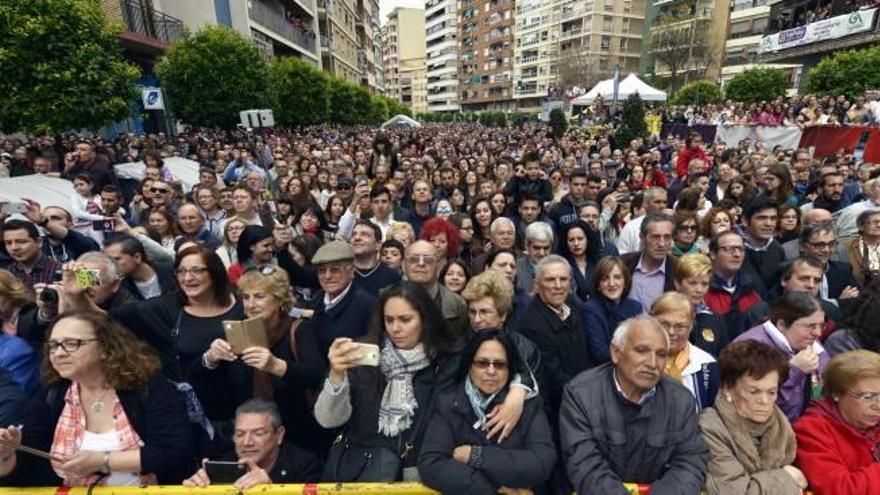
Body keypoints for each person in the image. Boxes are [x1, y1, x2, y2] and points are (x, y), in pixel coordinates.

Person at [0, 312, 193, 486]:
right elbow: (29, 471)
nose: (58, 353)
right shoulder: (52, 394)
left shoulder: (147, 388)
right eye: (53, 345)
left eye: (71, 343)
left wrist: (102, 461)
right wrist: (7, 454)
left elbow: (173, 451)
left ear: (105, 347)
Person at [314, 282, 459, 482]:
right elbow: (328, 420)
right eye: (389, 320)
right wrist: (336, 375)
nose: (395, 328)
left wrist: (518, 388)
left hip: (418, 473)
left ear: (425, 320)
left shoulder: (446, 363)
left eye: (405, 320)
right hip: (361, 471)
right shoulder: (364, 357)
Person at [559, 316, 709, 494]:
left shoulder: (681, 399)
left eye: (661, 354)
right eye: (641, 350)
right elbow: (585, 465)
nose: (652, 363)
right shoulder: (580, 395)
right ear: (616, 353)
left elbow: (690, 462)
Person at [194, 267, 327, 454]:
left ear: (280, 299)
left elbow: (318, 375)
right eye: (246, 297)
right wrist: (210, 359)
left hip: (297, 439)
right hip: (246, 439)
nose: (250, 304)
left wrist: (276, 366)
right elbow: (202, 381)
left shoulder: (299, 329)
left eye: (259, 296)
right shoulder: (236, 328)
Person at [418, 330, 556, 494]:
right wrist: (493, 490)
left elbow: (542, 463)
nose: (491, 371)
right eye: (482, 363)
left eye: (499, 364)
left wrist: (476, 456)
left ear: (510, 368)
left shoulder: (529, 405)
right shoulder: (449, 403)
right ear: (469, 365)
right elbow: (431, 464)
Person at [699, 340, 807, 495]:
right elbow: (734, 492)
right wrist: (785, 477)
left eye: (771, 392)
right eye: (753, 391)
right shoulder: (710, 427)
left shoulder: (781, 424)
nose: (764, 401)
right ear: (728, 389)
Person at [516, 255, 592, 426]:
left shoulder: (573, 308)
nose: (558, 286)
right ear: (537, 285)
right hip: (561, 411)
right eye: (550, 280)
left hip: (583, 396)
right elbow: (553, 378)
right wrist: (590, 392)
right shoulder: (530, 324)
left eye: (563, 279)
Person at [182, 399, 321, 490]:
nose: (247, 442)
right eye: (240, 434)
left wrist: (270, 490)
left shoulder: (305, 466)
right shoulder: (221, 465)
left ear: (279, 434)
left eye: (258, 433)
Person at [793, 350, 880, 495]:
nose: (877, 405)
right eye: (867, 396)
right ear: (837, 394)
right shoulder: (811, 431)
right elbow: (840, 490)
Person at [734, 292, 830, 422]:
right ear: (782, 325)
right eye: (810, 326)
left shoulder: (812, 344)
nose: (818, 333)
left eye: (821, 326)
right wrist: (794, 371)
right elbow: (758, 405)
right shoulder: (750, 348)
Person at [650, 292, 720, 410]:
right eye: (664, 324)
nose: (671, 332)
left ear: (691, 327)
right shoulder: (637, 361)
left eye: (680, 326)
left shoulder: (708, 364)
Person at [704, 231, 767, 340]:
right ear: (713, 254)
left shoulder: (750, 287)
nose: (737, 255)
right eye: (730, 249)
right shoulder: (702, 289)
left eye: (741, 249)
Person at [580, 256, 643, 364]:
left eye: (617, 277)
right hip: (607, 370)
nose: (612, 283)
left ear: (625, 281)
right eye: (605, 279)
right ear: (598, 285)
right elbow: (600, 354)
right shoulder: (590, 310)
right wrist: (635, 357)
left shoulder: (635, 307)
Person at [403, 240, 469, 341]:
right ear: (404, 264)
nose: (421, 263)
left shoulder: (457, 304)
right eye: (414, 259)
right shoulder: (385, 297)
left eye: (428, 260)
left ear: (438, 264)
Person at [674, 253, 729, 357]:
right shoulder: (664, 314)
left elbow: (724, 360)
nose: (699, 290)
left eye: (704, 284)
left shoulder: (715, 320)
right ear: (677, 283)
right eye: (692, 283)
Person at [623, 211, 678, 313]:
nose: (662, 244)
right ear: (642, 237)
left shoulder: (678, 269)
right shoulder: (624, 264)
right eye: (655, 237)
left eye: (667, 237)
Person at [741, 197, 786, 297]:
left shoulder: (778, 249)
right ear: (745, 221)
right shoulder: (731, 249)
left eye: (773, 218)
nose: (768, 224)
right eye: (761, 218)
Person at [3, 219, 61, 291]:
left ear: (39, 242)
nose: (14, 248)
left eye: (21, 242)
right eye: (8, 243)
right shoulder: (6, 274)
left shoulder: (62, 270)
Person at [836, 209, 880, 287]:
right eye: (875, 222)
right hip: (856, 293)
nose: (879, 225)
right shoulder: (845, 247)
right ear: (861, 226)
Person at [515, 221, 554, 297]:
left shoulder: (562, 268)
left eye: (546, 248)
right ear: (527, 246)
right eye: (537, 248)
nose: (542, 253)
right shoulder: (515, 268)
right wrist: (533, 296)